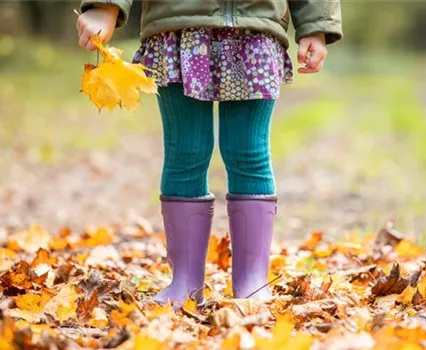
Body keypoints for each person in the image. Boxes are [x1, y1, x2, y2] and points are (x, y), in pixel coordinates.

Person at [77, 0, 342, 309]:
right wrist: (106, 6)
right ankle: (185, 282)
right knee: (185, 152)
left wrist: (315, 24)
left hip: (255, 28)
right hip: (175, 27)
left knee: (249, 153)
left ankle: (252, 281)